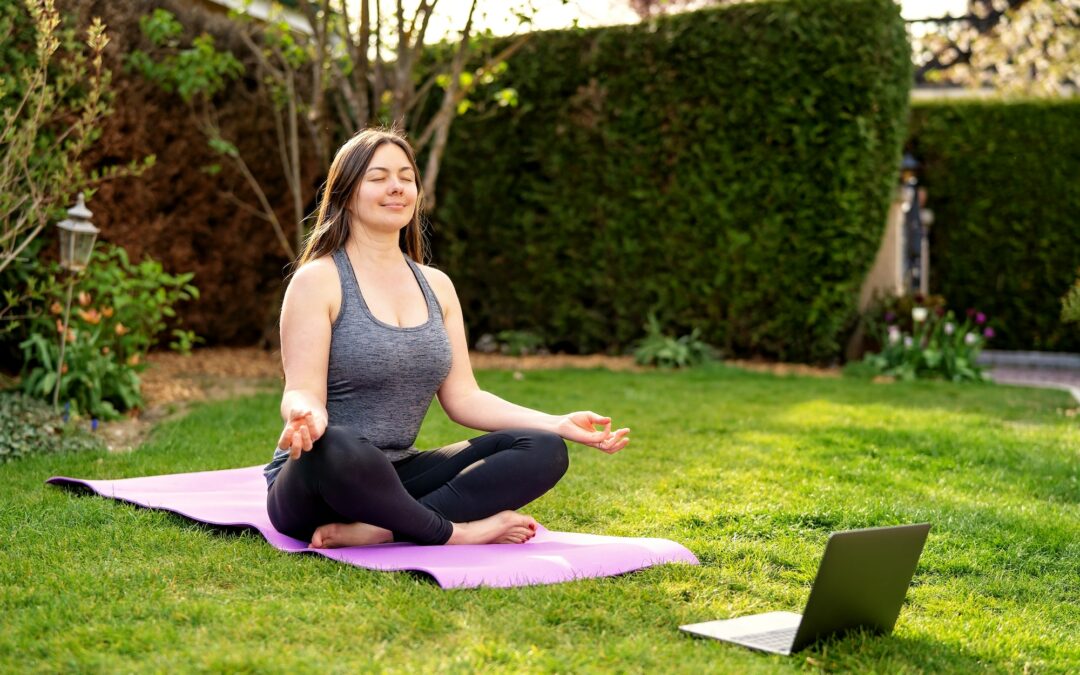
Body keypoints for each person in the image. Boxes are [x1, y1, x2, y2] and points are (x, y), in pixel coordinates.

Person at [264, 128, 630, 549]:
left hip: (397, 474)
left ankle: (384, 529)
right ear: (346, 193)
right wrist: (305, 418)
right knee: (338, 444)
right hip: (321, 479)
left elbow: (464, 398)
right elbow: (302, 391)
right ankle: (454, 532)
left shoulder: (436, 286)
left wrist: (557, 423)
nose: (397, 187)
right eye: (378, 177)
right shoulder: (319, 280)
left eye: (406, 176)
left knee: (543, 448)